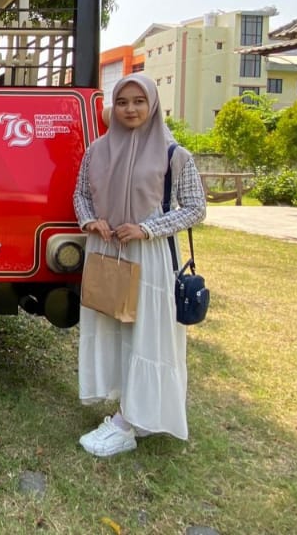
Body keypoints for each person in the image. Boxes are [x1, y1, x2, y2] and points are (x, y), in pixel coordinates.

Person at [72, 73, 206, 457]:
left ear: (153, 105)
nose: (131, 109)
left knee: (147, 334)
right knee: (112, 327)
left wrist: (147, 229)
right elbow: (81, 194)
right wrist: (89, 221)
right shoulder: (97, 150)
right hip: (107, 250)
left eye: (139, 101)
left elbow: (195, 208)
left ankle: (131, 421)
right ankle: (126, 409)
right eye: (124, 102)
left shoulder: (173, 154)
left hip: (149, 256)